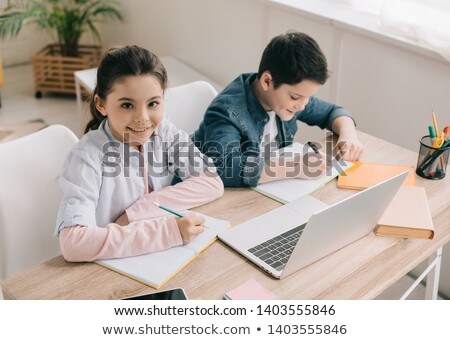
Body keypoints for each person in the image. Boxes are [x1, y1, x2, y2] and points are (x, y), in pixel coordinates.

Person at [55, 45, 224, 262]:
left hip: (156, 256)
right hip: (109, 267)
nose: (142, 118)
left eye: (153, 103)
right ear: (101, 104)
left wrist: (135, 213)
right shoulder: (86, 158)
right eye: (127, 105)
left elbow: (211, 182)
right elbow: (74, 243)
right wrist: (168, 232)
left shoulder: (163, 131)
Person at [194, 31, 364, 187]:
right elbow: (224, 168)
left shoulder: (289, 99)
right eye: (296, 97)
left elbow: (332, 112)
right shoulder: (227, 112)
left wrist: (348, 135)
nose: (303, 106)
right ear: (267, 81)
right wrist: (295, 166)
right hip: (201, 198)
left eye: (309, 97)